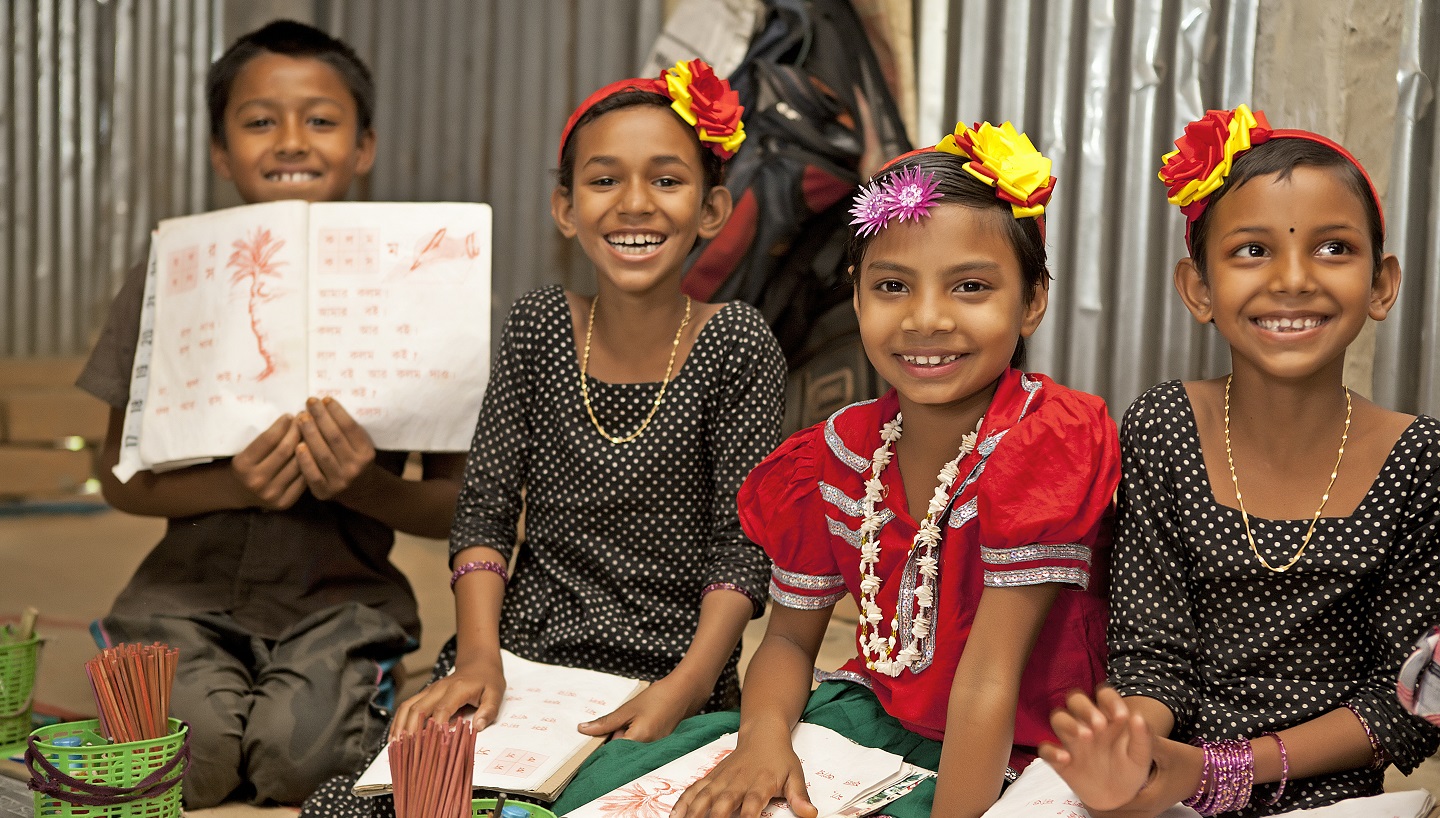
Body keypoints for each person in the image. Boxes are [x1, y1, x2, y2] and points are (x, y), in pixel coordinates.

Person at [553, 122, 1120, 818]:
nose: (927, 318)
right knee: (616, 780)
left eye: (970, 286)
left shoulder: (1045, 442)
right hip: (879, 716)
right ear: (856, 298)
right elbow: (791, 639)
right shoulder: (843, 452)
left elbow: (987, 684)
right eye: (893, 286)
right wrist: (762, 743)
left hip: (1017, 747)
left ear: (1031, 300)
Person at [298, 59, 785, 817]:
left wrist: (685, 689)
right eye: (602, 181)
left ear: (712, 208)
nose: (634, 205)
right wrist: (480, 658)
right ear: (564, 207)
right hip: (522, 657)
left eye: (666, 180)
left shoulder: (738, 345)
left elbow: (742, 547)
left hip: (668, 673)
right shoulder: (539, 327)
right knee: (372, 804)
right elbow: (484, 511)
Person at [76, 20, 467, 808]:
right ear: (221, 151)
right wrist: (239, 486)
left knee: (300, 766)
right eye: (260, 121)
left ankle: (353, 680)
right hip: (180, 598)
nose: (292, 141)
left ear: (365, 147)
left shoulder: (428, 276)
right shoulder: (169, 271)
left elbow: (456, 505)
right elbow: (115, 474)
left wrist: (361, 484)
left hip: (343, 604)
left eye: (321, 120)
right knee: (190, 767)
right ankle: (160, 662)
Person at [1040, 106, 1440, 817]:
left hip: (1326, 797)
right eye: (1252, 250)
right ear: (1198, 288)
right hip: (1166, 779)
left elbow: (1410, 696)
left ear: (1381, 284)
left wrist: (1227, 769)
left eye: (1333, 249)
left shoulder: (1417, 461)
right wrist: (1136, 749)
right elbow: (1151, 648)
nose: (1292, 279)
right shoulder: (1163, 427)